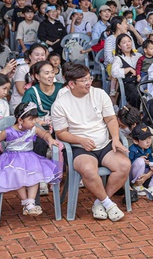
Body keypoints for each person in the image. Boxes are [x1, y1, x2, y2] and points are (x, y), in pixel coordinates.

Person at [50, 63, 130, 221]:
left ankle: (101, 202)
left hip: (104, 144)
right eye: (84, 80)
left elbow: (110, 118)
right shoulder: (60, 104)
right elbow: (61, 133)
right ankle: (109, 204)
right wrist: (80, 140)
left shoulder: (99, 94)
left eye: (89, 78)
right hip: (79, 148)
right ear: (71, 84)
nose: (89, 82)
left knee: (124, 165)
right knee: (88, 170)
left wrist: (115, 138)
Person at [0, 102, 62, 215]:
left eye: (35, 119)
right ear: (20, 120)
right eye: (31, 119)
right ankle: (25, 202)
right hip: (11, 159)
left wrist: (50, 139)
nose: (34, 121)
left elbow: (45, 134)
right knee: (17, 173)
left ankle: (30, 203)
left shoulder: (33, 129)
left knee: (35, 173)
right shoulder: (8, 131)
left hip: (29, 157)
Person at [128, 124, 153, 192]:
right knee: (140, 161)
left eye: (149, 138)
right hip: (133, 174)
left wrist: (151, 164)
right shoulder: (132, 149)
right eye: (144, 139)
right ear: (136, 141)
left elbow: (151, 159)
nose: (148, 141)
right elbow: (128, 164)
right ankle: (136, 185)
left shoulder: (147, 149)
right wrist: (138, 160)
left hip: (145, 171)